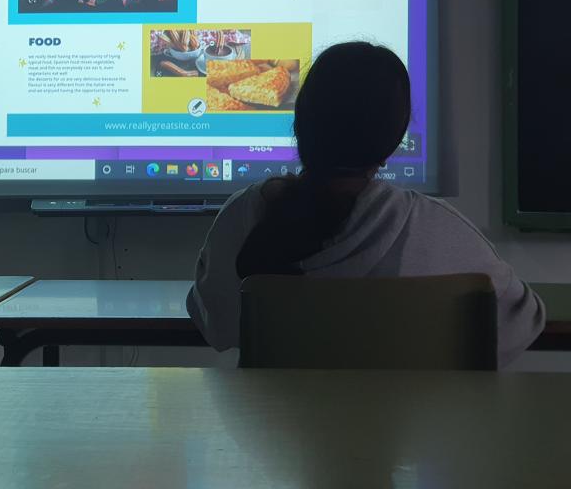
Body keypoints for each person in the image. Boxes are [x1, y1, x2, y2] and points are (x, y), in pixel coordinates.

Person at [187, 42, 545, 368]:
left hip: (275, 422)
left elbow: (215, 325)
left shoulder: (242, 217)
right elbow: (522, 321)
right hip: (410, 422)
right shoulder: (442, 231)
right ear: (393, 138)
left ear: (300, 124)